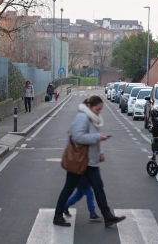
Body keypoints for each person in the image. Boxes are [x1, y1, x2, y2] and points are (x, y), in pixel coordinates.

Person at [53, 96, 126, 228]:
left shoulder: (90, 117)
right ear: (89, 107)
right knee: (69, 188)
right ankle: (57, 216)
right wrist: (98, 137)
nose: (99, 112)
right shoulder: (83, 117)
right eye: (97, 109)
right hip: (79, 161)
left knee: (98, 187)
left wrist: (100, 153)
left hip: (89, 161)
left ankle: (107, 216)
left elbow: (91, 141)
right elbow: (78, 137)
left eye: (100, 110)